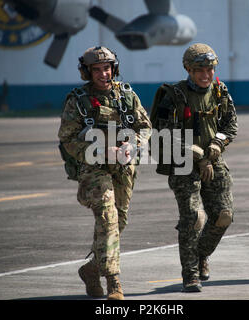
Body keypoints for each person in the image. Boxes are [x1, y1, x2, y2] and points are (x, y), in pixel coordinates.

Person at [58, 46, 151, 300]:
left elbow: (145, 126)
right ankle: (114, 282)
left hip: (124, 168)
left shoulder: (127, 95)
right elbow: (67, 140)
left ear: (114, 68)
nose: (103, 74)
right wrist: (100, 151)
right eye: (96, 70)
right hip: (93, 169)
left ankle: (90, 271)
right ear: (87, 72)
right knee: (108, 219)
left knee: (118, 222)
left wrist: (133, 145)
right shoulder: (77, 100)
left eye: (107, 68)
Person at [150, 43, 238, 292]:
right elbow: (162, 133)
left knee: (223, 215)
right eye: (199, 69)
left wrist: (217, 145)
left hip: (213, 159)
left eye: (209, 68)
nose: (205, 75)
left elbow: (231, 123)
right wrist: (195, 153)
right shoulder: (173, 95)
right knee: (193, 218)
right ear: (188, 69)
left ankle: (201, 255)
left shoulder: (220, 91)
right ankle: (190, 275)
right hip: (182, 163)